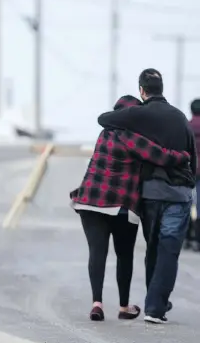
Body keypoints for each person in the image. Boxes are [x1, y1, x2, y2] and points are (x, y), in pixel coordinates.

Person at [71, 95, 190, 321]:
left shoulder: (104, 132)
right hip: (119, 204)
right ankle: (124, 307)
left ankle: (97, 303)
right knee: (124, 254)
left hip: (89, 200)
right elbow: (160, 156)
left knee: (97, 252)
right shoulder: (131, 137)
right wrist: (183, 155)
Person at [98, 69, 197, 324]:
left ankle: (157, 302)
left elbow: (103, 119)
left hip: (151, 193)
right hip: (179, 193)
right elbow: (192, 157)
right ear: (162, 88)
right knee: (169, 249)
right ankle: (156, 307)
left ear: (142, 90)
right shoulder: (179, 117)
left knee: (153, 247)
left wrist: (127, 123)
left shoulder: (138, 113)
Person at [188, 98, 200, 250]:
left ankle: (187, 238)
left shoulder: (187, 126)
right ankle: (198, 239)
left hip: (190, 170)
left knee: (187, 203)